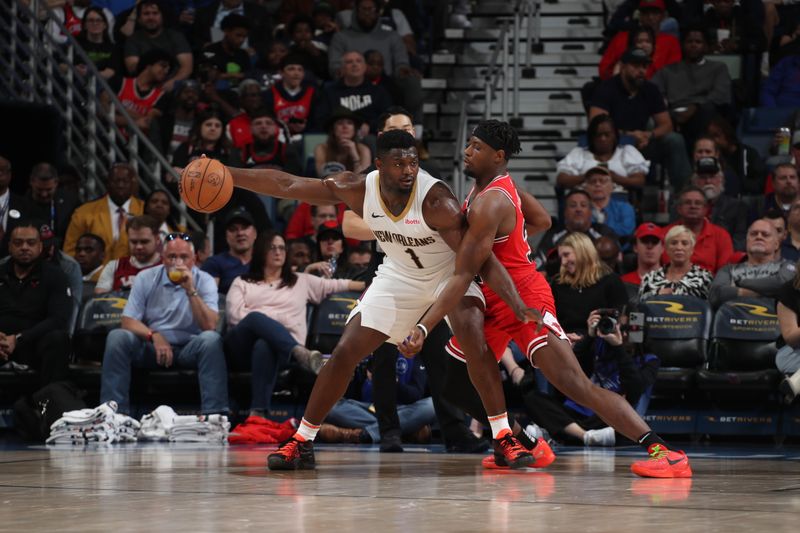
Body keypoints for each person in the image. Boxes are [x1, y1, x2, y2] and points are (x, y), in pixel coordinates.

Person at [220, 130, 542, 471]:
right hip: (399, 276)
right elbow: (286, 185)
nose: (408, 170)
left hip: (448, 275)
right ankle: (302, 440)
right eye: (399, 163)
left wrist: (516, 301)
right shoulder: (357, 189)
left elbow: (480, 260)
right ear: (379, 165)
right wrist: (227, 174)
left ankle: (503, 436)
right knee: (345, 352)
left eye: (413, 162)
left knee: (474, 338)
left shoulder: (436, 202)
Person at [403, 119, 691, 478]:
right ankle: (518, 441)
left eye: (476, 147)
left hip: (522, 295)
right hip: (494, 296)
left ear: (498, 156)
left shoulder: (491, 201)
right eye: (469, 145)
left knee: (575, 384)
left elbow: (463, 274)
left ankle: (664, 451)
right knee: (455, 382)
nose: (467, 151)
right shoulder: (495, 190)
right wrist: (515, 239)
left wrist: (424, 325)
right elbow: (542, 221)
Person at [225, 231, 365, 416]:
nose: (278, 252)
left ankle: (259, 412)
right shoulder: (242, 282)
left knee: (265, 344)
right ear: (260, 251)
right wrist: (276, 319)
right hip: (241, 347)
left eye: (282, 248)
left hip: (279, 352)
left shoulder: (301, 281)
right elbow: (235, 316)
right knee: (255, 318)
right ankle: (301, 354)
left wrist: (374, 285)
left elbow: (341, 285)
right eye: (272, 248)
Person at [99, 234, 228, 415]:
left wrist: (190, 290)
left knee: (211, 340)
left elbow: (209, 326)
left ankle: (215, 415)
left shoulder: (205, 280)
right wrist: (154, 336)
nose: (177, 262)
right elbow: (128, 321)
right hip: (153, 348)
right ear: (163, 258)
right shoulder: (146, 277)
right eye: (172, 257)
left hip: (189, 349)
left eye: (183, 257)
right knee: (117, 337)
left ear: (194, 259)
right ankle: (112, 415)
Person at [522, 309, 659, 446]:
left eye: (627, 329)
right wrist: (590, 336)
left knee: (629, 427)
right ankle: (585, 436)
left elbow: (634, 388)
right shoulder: (599, 345)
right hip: (578, 409)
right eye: (617, 327)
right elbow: (572, 370)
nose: (622, 333)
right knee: (533, 398)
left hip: (607, 414)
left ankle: (561, 433)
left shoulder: (649, 360)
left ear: (639, 332)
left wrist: (619, 348)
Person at [590, 48, 692, 191]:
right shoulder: (606, 89)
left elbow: (666, 125)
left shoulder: (650, 89)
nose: (641, 71)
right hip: (613, 146)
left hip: (642, 143)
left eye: (644, 66)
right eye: (636, 66)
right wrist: (628, 135)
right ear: (623, 67)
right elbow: (596, 126)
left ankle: (685, 193)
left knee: (674, 140)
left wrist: (648, 135)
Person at [0, 222, 72, 387]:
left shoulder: (55, 275)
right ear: (9, 247)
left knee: (58, 339)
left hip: (33, 344)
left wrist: (19, 339)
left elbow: (59, 319)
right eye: (18, 243)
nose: (24, 247)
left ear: (40, 247)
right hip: (2, 343)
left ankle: (48, 407)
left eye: (31, 243)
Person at [651, 28, 732, 151]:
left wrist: (695, 107)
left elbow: (721, 94)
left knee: (707, 110)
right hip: (673, 115)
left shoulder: (718, 68)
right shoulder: (668, 70)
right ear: (683, 45)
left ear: (705, 46)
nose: (693, 45)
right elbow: (653, 91)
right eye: (689, 42)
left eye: (698, 42)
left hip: (703, 114)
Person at [551, 232, 629, 337]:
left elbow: (621, 320)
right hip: (564, 344)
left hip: (599, 343)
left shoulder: (610, 281)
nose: (563, 262)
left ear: (582, 252)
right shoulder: (557, 284)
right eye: (561, 257)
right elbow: (550, 322)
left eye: (566, 255)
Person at [64, 163, 144, 261]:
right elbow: (69, 252)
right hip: (94, 275)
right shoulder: (83, 213)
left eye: (125, 181)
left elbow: (167, 238)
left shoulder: (145, 211)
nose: (120, 185)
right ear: (107, 183)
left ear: (133, 184)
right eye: (116, 181)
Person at [709, 219, 795, 308]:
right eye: (753, 234)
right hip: (735, 318)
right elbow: (715, 294)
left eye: (765, 235)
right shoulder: (728, 270)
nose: (759, 237)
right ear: (747, 242)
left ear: (776, 244)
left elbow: (782, 284)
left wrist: (740, 283)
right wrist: (766, 292)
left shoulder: (787, 266)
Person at [555, 114, 649, 193]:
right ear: (591, 137)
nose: (603, 139)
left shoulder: (627, 152)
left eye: (607, 135)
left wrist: (613, 177)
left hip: (618, 202)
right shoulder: (579, 153)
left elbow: (639, 181)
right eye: (598, 135)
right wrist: (588, 176)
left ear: (615, 136)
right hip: (586, 203)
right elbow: (562, 179)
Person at [534, 190, 618, 271]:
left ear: (590, 211)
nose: (578, 209)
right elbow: (540, 266)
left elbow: (614, 265)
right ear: (565, 212)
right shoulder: (554, 235)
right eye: (573, 205)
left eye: (583, 205)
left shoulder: (603, 232)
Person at [313, 51, 393, 135]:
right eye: (349, 62)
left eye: (358, 61)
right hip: (337, 136)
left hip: (370, 135)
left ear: (365, 67)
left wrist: (370, 126)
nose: (354, 64)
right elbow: (321, 119)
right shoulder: (329, 91)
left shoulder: (378, 91)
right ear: (342, 69)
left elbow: (388, 117)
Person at [598, 2, 681, 81]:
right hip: (623, 88)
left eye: (655, 13)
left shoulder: (671, 42)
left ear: (663, 16)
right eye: (646, 13)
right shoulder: (621, 38)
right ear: (639, 15)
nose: (650, 17)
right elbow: (604, 69)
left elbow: (674, 72)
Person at [122, 0, 192, 92]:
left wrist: (172, 82)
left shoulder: (176, 36)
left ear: (162, 16)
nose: (151, 17)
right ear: (139, 19)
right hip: (143, 88)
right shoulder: (133, 39)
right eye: (146, 14)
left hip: (173, 86)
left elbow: (187, 67)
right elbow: (133, 68)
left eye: (155, 13)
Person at [663, 186, 734, 274]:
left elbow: (724, 273)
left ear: (706, 209)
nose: (693, 206)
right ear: (679, 209)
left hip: (709, 286)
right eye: (688, 202)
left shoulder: (721, 235)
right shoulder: (664, 234)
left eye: (698, 203)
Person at [640, 224, 713, 299]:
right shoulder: (650, 278)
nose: (679, 247)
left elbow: (710, 307)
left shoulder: (704, 278)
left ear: (692, 249)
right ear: (666, 248)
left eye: (684, 243)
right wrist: (656, 294)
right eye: (674, 243)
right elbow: (640, 305)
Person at [690, 156, 748, 250]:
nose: (708, 181)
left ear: (721, 179)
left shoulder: (737, 207)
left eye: (712, 177)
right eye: (703, 178)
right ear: (695, 181)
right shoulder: (683, 207)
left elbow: (740, 242)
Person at [95, 215, 162, 294]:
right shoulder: (114, 266)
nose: (139, 247)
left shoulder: (169, 268)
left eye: (144, 242)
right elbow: (100, 299)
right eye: (134, 242)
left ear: (157, 239)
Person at [707, 116, 767, 196]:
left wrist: (740, 183)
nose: (714, 140)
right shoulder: (711, 156)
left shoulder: (749, 154)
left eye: (716, 135)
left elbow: (759, 185)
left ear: (727, 133)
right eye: (710, 137)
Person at [201, 207, 257, 294]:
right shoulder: (214, 263)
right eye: (233, 229)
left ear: (255, 233)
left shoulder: (264, 262)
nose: (240, 233)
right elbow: (208, 300)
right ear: (226, 236)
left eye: (244, 227)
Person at [262, 53, 317, 139]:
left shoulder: (314, 94)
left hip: (306, 139)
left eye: (300, 70)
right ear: (281, 73)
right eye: (291, 69)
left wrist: (305, 128)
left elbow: (318, 122)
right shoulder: (269, 94)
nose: (296, 73)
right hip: (277, 139)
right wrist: (284, 127)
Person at [25, 162, 79, 247]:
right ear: (31, 181)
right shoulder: (20, 204)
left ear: (56, 182)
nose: (44, 194)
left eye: (49, 189)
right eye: (39, 189)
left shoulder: (71, 202)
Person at [171, 109, 241, 170]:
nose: (213, 128)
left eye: (217, 126)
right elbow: (173, 173)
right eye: (208, 124)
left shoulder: (229, 151)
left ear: (222, 130)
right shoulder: (186, 148)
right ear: (199, 127)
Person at [314, 106, 372, 176]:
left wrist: (355, 156)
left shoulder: (364, 150)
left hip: (354, 187)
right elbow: (321, 174)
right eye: (340, 123)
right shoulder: (322, 148)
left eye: (349, 123)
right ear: (333, 129)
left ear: (355, 129)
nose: (345, 126)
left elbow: (362, 179)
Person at [584, 166, 636, 238]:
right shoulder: (580, 208)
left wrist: (597, 227)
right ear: (586, 188)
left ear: (612, 186)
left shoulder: (625, 208)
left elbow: (626, 231)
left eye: (602, 181)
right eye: (593, 181)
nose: (597, 184)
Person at [74, 6, 119, 80]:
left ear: (105, 25)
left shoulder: (113, 48)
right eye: (91, 20)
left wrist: (90, 72)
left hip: (102, 85)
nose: (95, 23)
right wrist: (75, 68)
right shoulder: (75, 44)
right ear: (85, 25)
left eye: (98, 20)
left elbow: (110, 72)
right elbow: (62, 65)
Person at [0, 156, 31, 257]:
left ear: (10, 174)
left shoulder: (24, 204)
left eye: (3, 170)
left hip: (12, 263)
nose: (0, 174)